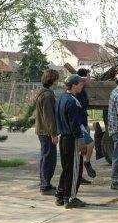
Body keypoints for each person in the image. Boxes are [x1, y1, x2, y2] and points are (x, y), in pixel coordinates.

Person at [55, 74, 87, 209]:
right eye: (80, 84)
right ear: (73, 85)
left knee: (67, 168)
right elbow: (74, 123)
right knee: (75, 169)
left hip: (63, 137)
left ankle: (60, 194)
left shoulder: (62, 98)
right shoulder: (72, 101)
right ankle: (71, 198)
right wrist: (81, 139)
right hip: (72, 138)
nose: (82, 86)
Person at [34, 69, 59, 195]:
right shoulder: (47, 95)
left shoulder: (43, 93)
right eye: (56, 79)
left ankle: (45, 183)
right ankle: (45, 186)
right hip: (46, 132)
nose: (57, 82)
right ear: (52, 80)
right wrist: (53, 134)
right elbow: (49, 117)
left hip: (43, 130)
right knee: (49, 158)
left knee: (46, 157)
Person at [76, 68, 96, 184]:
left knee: (82, 151)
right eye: (89, 77)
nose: (90, 79)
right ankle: (86, 164)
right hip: (80, 125)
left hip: (83, 123)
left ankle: (80, 175)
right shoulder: (78, 91)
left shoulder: (83, 90)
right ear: (83, 78)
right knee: (89, 144)